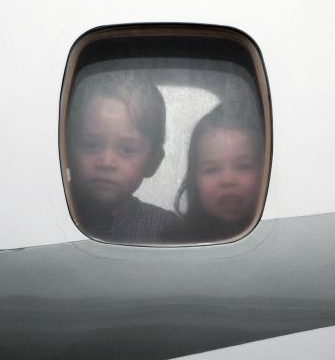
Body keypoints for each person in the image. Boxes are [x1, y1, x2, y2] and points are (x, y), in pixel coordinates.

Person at [66, 71, 179, 243]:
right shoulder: (38, 214)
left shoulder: (167, 230)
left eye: (127, 149)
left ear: (153, 162)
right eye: (91, 145)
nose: (106, 162)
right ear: (65, 150)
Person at [168, 102, 265, 242]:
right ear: (195, 181)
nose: (227, 180)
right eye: (211, 170)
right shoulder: (178, 242)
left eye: (243, 166)